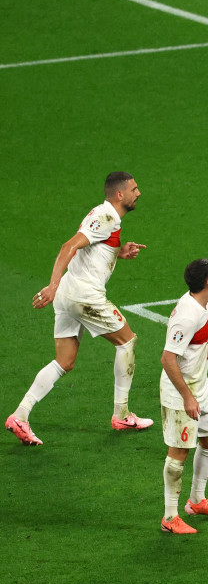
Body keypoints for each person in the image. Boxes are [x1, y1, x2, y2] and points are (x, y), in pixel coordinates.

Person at [7, 172, 152, 445]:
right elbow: (69, 246)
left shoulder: (106, 217)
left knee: (64, 361)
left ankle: (20, 415)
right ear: (119, 194)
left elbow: (92, 247)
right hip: (82, 295)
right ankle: (121, 413)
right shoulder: (106, 216)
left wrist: (118, 252)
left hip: (68, 294)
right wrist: (51, 285)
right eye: (134, 189)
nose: (138, 193)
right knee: (127, 341)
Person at [158, 260, 208, 534]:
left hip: (199, 386)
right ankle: (170, 517)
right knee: (179, 452)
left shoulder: (204, 304)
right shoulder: (188, 314)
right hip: (180, 391)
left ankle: (195, 500)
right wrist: (186, 397)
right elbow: (168, 358)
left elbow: (203, 343)